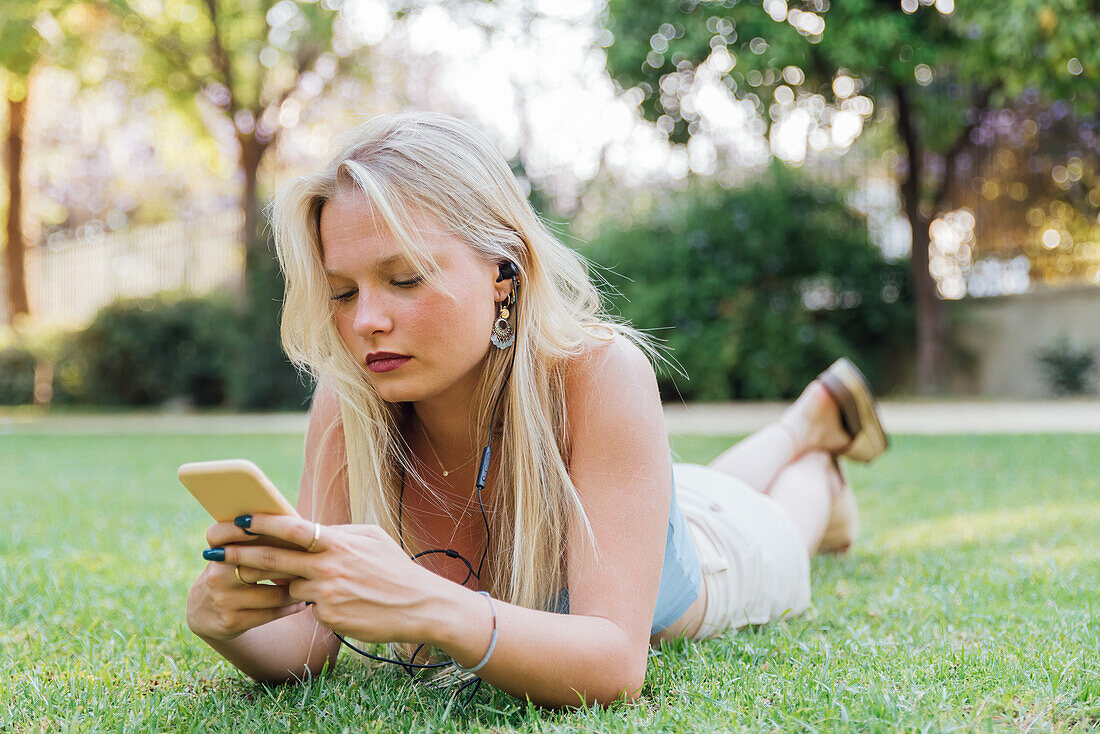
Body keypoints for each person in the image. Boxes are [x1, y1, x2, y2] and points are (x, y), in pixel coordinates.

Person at [185, 111, 889, 709]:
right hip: (644, 499)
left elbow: (615, 664)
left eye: (404, 279)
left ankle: (816, 461)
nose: (367, 320)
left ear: (504, 272)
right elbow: (308, 639)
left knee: (778, 523)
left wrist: (430, 606)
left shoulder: (600, 372)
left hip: (720, 559)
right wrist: (223, 623)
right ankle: (810, 421)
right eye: (342, 293)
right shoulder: (350, 404)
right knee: (705, 486)